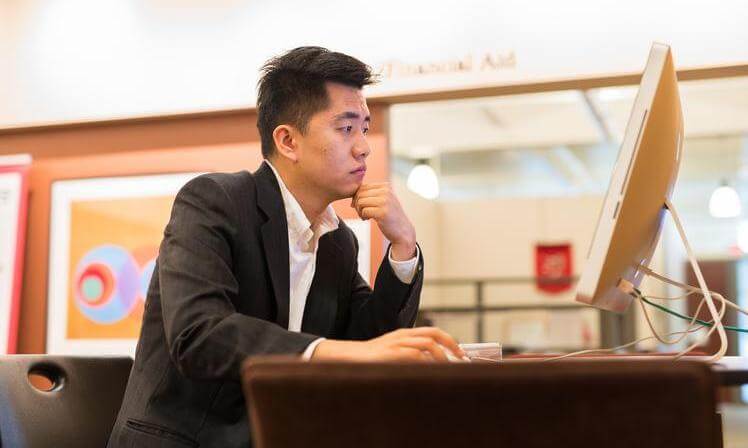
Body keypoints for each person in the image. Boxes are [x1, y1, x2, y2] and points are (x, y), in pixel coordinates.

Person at [107, 46, 463, 448]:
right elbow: (200, 332)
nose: (363, 146)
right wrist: (328, 352)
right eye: (346, 129)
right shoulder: (213, 201)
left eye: (365, 127)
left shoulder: (337, 242)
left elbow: (369, 343)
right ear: (288, 141)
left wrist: (402, 245)